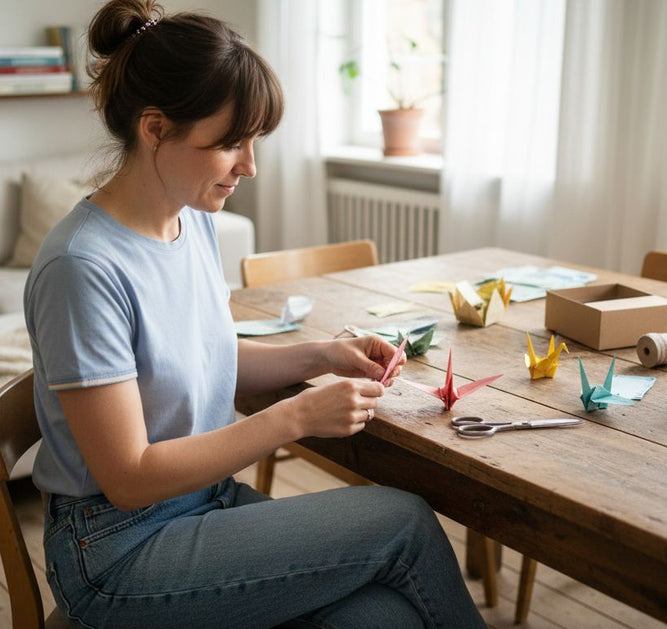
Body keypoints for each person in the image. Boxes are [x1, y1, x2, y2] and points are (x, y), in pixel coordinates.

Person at [24, 1, 487, 627]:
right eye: (231, 144)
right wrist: (297, 416)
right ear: (155, 129)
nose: (250, 165)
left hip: (201, 507)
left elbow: (203, 358)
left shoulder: (192, 224)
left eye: (253, 142)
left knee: (382, 616)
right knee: (403, 522)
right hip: (117, 550)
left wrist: (323, 354)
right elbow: (129, 478)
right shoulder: (82, 268)